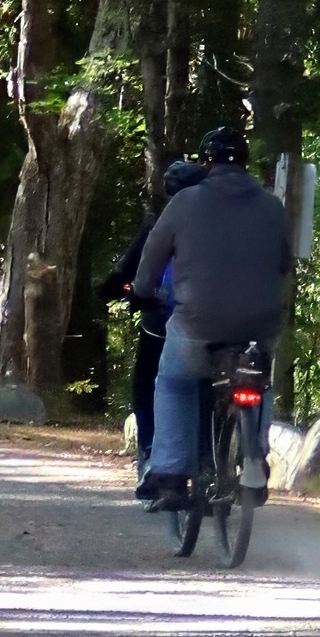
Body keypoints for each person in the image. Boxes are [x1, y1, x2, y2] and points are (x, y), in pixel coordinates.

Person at [129, 121, 296, 504]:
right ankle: (254, 460)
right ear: (246, 164)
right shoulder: (272, 204)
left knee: (173, 381)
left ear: (206, 165)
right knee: (258, 379)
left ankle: (170, 472)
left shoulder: (184, 202)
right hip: (259, 325)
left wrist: (143, 290)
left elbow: (152, 256)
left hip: (197, 323)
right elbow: (284, 262)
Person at [100, 155, 205, 467]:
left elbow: (128, 273)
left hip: (162, 320)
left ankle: (148, 449)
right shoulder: (221, 227)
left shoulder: (158, 227)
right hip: (215, 323)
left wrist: (119, 291)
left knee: (146, 382)